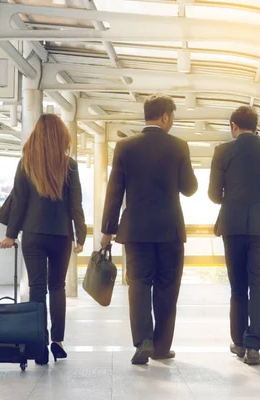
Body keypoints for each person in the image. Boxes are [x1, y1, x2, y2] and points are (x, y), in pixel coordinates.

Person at [100, 94, 198, 365]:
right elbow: (190, 188)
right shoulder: (179, 146)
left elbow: (114, 191)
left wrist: (107, 231)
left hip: (136, 231)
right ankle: (161, 346)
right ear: (166, 117)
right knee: (167, 285)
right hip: (169, 230)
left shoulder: (125, 146)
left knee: (139, 284)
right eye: (173, 117)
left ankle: (142, 340)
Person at [0, 114, 87, 365]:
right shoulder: (69, 165)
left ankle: (38, 342)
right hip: (61, 235)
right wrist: (80, 236)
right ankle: (57, 341)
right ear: (62, 137)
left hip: (34, 234)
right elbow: (76, 205)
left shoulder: (26, 163)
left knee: (36, 289)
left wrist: (10, 234)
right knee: (57, 287)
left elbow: (18, 203)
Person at [208, 106, 260, 366]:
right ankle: (254, 345)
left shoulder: (222, 151)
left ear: (233, 125)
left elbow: (212, 194)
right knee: (259, 287)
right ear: (257, 126)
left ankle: (239, 343)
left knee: (238, 286)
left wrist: (230, 199)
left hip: (232, 226)